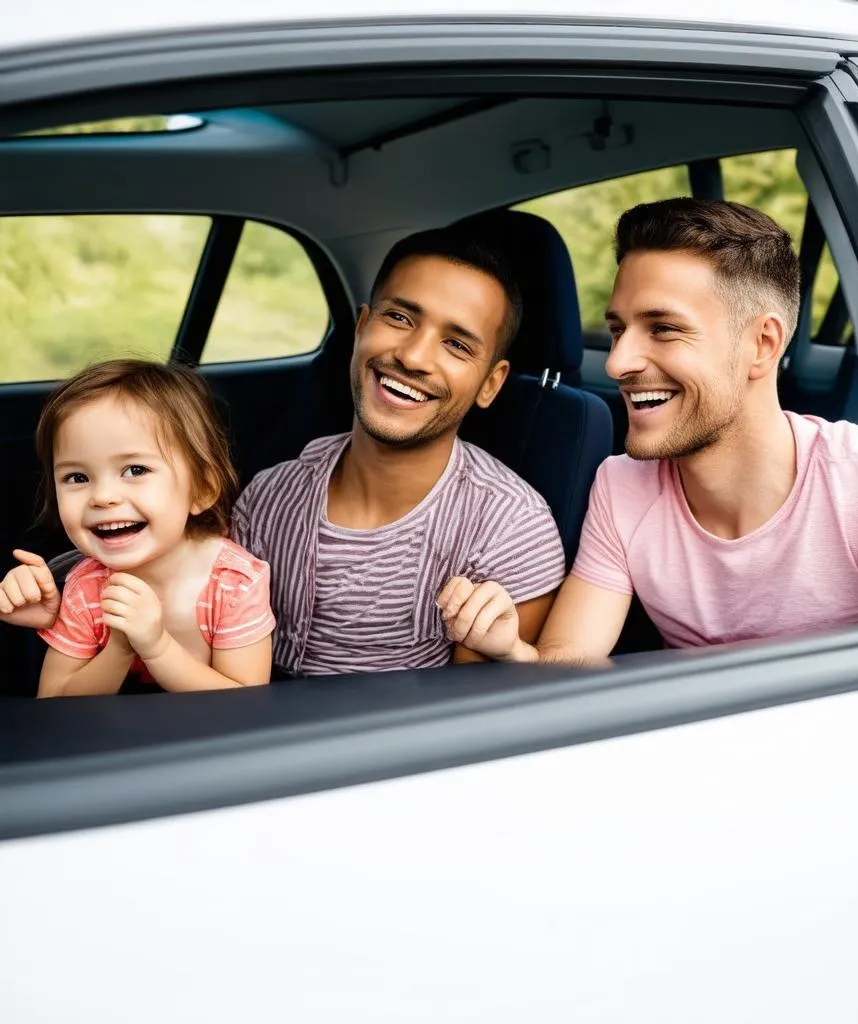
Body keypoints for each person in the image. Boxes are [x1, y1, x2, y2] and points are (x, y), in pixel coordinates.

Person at [439, 197, 858, 663]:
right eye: (616, 330)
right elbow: (567, 668)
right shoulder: (621, 486)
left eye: (664, 328)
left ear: (761, 345)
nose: (617, 363)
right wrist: (510, 650)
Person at [231, 227, 565, 676]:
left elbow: (470, 718)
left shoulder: (510, 528)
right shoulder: (268, 496)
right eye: (400, 319)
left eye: (457, 344)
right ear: (361, 326)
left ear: (491, 383)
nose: (413, 356)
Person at [0, 359, 276, 696]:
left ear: (202, 489)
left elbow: (246, 706)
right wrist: (120, 648)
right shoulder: (87, 587)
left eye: (135, 470)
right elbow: (54, 701)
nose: (102, 497)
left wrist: (157, 647)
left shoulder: (235, 584)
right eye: (77, 477)